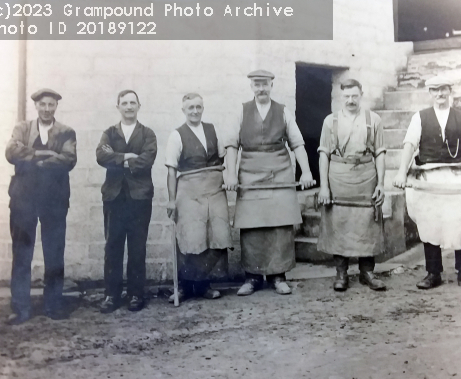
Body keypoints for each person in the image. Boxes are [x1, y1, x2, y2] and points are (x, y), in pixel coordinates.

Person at [393, 75, 461, 290]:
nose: (440, 94)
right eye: (435, 90)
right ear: (430, 93)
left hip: (457, 178)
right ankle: (433, 273)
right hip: (429, 178)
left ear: (449, 90)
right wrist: (400, 173)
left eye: (443, 89)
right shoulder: (420, 118)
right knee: (430, 222)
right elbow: (409, 145)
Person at [224, 69, 316, 296]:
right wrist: (231, 175)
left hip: (280, 172)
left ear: (272, 84)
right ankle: (253, 277)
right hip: (250, 173)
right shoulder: (241, 111)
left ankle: (278, 276)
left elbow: (297, 144)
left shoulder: (283, 111)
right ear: (251, 86)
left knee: (280, 226)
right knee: (252, 226)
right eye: (257, 84)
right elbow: (231, 145)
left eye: (264, 84)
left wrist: (306, 172)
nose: (261, 88)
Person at [5, 88, 77, 325]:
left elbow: (68, 160)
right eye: (43, 105)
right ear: (36, 106)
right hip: (24, 199)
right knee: (22, 253)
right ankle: (20, 308)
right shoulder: (22, 128)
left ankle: (54, 305)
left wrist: (31, 158)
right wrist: (44, 153)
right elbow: (11, 152)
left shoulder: (66, 132)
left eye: (51, 105)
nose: (47, 109)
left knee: (54, 252)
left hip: (54, 200)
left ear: (56, 107)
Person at [317, 79, 387, 292]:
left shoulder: (373, 119)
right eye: (346, 96)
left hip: (366, 177)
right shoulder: (330, 121)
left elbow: (380, 152)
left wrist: (381, 184)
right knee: (339, 223)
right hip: (338, 178)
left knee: (368, 224)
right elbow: (324, 154)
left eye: (354, 96)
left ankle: (367, 272)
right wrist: (324, 187)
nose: (350, 100)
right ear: (341, 97)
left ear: (361, 95)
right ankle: (341, 273)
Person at [164, 93, 233, 302]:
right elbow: (171, 171)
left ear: (203, 108)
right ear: (183, 110)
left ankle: (203, 284)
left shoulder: (213, 130)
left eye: (198, 107)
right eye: (190, 108)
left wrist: (230, 174)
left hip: (213, 188)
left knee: (217, 237)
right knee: (191, 238)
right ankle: (185, 286)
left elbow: (225, 155)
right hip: (189, 191)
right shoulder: (176, 135)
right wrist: (171, 199)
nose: (195, 111)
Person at [96, 90, 157, 313]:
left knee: (137, 248)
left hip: (139, 198)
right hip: (114, 197)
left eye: (133, 103)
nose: (129, 106)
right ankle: (111, 295)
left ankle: (135, 294)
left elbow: (147, 160)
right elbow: (101, 155)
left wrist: (120, 161)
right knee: (112, 246)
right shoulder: (109, 133)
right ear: (118, 107)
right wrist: (126, 157)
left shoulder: (148, 134)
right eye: (124, 103)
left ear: (139, 106)